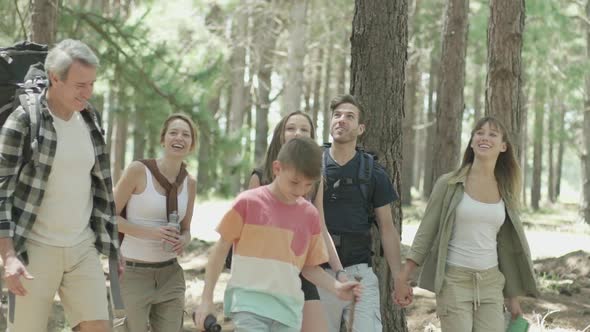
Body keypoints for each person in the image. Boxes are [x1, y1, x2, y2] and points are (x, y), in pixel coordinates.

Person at [0, 39, 121, 331]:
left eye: (92, 84)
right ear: (55, 78)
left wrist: (113, 245)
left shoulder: (90, 120)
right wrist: (9, 257)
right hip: (34, 250)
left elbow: (101, 188)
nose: (88, 92)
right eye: (80, 85)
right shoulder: (23, 122)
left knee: (98, 327)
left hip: (82, 248)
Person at [194, 137, 361, 332]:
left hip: (289, 312)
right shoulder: (248, 203)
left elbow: (309, 268)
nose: (300, 190)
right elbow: (220, 251)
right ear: (277, 168)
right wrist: (207, 299)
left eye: (308, 185)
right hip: (249, 305)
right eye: (294, 182)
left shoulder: (309, 215)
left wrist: (336, 287)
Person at [397, 117, 538, 331]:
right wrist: (403, 277)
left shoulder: (505, 191)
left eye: (493, 134)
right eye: (479, 132)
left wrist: (512, 298)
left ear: (503, 146)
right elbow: (425, 233)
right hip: (454, 282)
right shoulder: (449, 183)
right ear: (472, 142)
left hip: (491, 284)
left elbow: (505, 249)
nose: (484, 137)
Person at [319, 94, 412, 331]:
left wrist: (399, 278)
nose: (341, 120)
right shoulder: (312, 165)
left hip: (358, 275)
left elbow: (387, 229)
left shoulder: (373, 172)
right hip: (317, 275)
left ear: (361, 128)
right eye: (337, 115)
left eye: (349, 116)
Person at [248, 110, 346, 332]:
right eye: (291, 128)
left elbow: (320, 227)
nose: (297, 133)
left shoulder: (316, 180)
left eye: (304, 129)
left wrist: (339, 271)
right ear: (281, 134)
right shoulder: (261, 176)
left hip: (303, 269)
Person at [113, 113, 197, 331]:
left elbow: (186, 230)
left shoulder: (190, 183)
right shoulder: (138, 171)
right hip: (132, 272)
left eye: (186, 135)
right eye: (174, 132)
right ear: (163, 139)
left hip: (170, 274)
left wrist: (183, 241)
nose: (179, 138)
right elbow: (108, 217)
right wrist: (152, 233)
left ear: (192, 144)